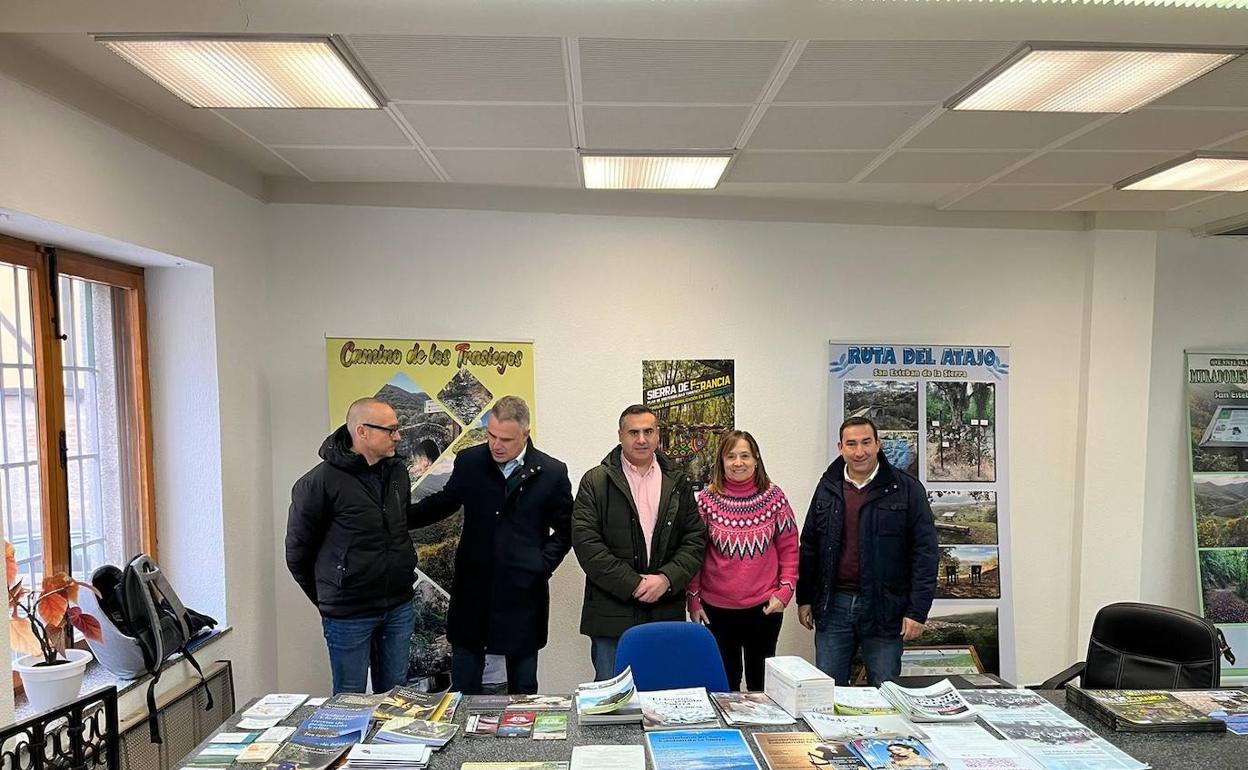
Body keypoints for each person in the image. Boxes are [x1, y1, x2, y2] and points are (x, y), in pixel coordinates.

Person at [408, 395, 573, 694]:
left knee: (523, 692)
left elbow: (566, 531)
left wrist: (540, 565)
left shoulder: (551, 473)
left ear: (526, 434)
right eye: (491, 435)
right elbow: (445, 502)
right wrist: (398, 517)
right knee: (464, 691)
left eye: (506, 439)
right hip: (472, 595)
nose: (496, 445)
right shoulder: (470, 461)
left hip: (523, 597)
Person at [286, 397, 445, 694]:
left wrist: (454, 496)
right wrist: (331, 598)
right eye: (391, 429)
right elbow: (298, 555)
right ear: (362, 432)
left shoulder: (396, 472)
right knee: (349, 699)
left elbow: (400, 520)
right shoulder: (317, 484)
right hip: (349, 614)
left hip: (398, 605)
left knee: (395, 696)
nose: (398, 436)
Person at [796, 416, 938, 686]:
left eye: (866, 443)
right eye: (851, 444)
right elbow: (810, 546)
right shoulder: (828, 487)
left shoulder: (906, 489)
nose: (859, 451)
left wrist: (917, 611)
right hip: (833, 606)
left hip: (886, 608)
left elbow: (925, 554)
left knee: (886, 692)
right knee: (828, 691)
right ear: (840, 448)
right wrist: (804, 599)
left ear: (878, 444)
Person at [572, 404, 707, 679]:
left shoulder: (678, 481)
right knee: (611, 701)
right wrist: (633, 583)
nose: (641, 439)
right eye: (634, 432)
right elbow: (587, 544)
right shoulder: (596, 481)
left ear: (658, 435)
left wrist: (666, 579)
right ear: (621, 435)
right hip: (611, 615)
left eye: (648, 431)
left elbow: (694, 539)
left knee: (662, 695)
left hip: (664, 612)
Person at [687, 430, 798, 691]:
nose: (739, 462)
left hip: (764, 609)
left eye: (745, 455)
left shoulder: (774, 498)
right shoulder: (706, 501)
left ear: (756, 459)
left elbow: (790, 549)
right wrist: (693, 598)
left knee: (762, 686)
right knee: (725, 685)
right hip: (716, 610)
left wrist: (784, 592)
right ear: (721, 462)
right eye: (731, 456)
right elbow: (695, 554)